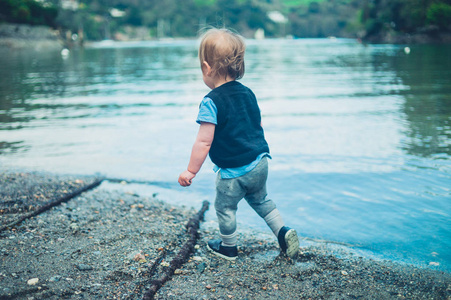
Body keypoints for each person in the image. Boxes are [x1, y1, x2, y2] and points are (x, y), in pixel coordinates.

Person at [178, 28, 299, 261]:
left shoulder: (210, 102)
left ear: (206, 68)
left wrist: (191, 170)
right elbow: (257, 124)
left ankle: (229, 247)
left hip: (234, 172)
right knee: (261, 200)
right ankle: (282, 232)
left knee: (225, 208)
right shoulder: (248, 93)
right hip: (260, 161)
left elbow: (203, 141)